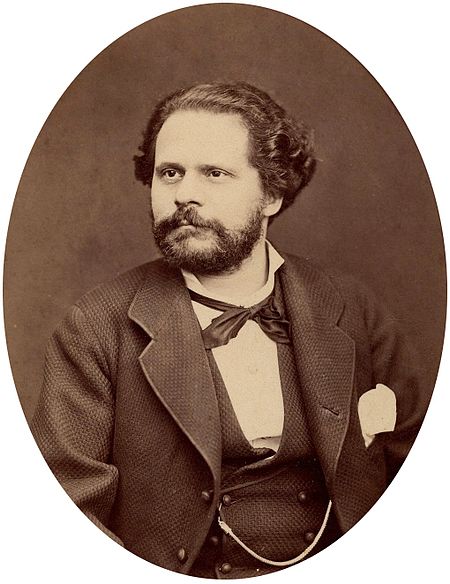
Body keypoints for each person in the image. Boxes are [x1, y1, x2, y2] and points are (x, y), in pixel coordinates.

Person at [31, 82, 426, 579]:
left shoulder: (351, 308)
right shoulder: (96, 325)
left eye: (214, 173)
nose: (184, 195)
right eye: (169, 173)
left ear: (272, 194)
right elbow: (65, 511)